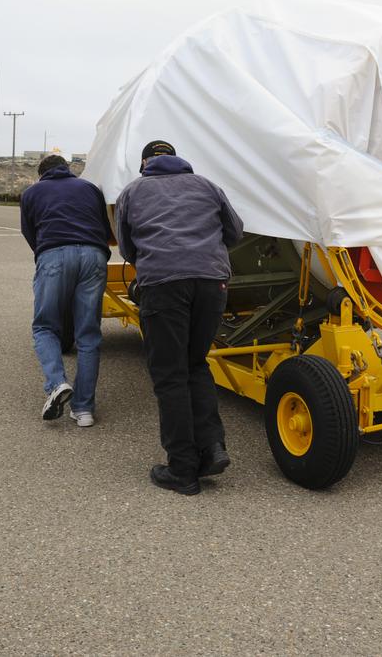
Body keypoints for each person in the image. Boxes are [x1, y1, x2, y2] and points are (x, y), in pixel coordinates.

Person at [115, 140, 244, 496]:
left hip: (164, 285)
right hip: (212, 283)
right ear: (178, 159)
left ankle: (182, 469)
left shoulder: (133, 192)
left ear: (145, 163)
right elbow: (234, 232)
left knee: (170, 375)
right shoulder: (207, 186)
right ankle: (213, 447)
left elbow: (127, 249)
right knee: (196, 364)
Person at [19, 154, 113, 427]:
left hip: (54, 254)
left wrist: (49, 256)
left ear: (41, 174)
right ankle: (84, 409)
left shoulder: (32, 193)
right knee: (88, 334)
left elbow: (30, 233)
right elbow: (104, 228)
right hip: (94, 256)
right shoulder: (90, 189)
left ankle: (57, 383)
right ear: (67, 170)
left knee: (45, 327)